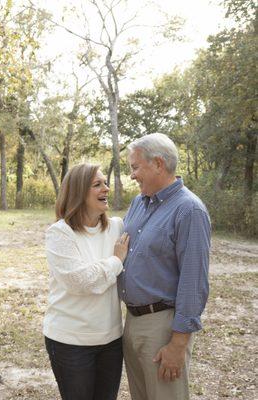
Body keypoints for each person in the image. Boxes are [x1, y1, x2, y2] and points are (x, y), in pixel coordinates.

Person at [118, 133, 211, 400]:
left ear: (158, 163)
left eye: (135, 167)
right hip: (132, 321)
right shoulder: (138, 203)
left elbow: (193, 282)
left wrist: (178, 343)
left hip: (163, 326)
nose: (133, 175)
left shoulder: (189, 210)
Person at [43, 163, 129, 400]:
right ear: (79, 192)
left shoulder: (117, 227)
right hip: (69, 341)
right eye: (97, 184)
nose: (106, 188)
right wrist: (116, 260)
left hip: (110, 340)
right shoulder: (60, 233)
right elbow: (79, 281)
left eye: (106, 183)